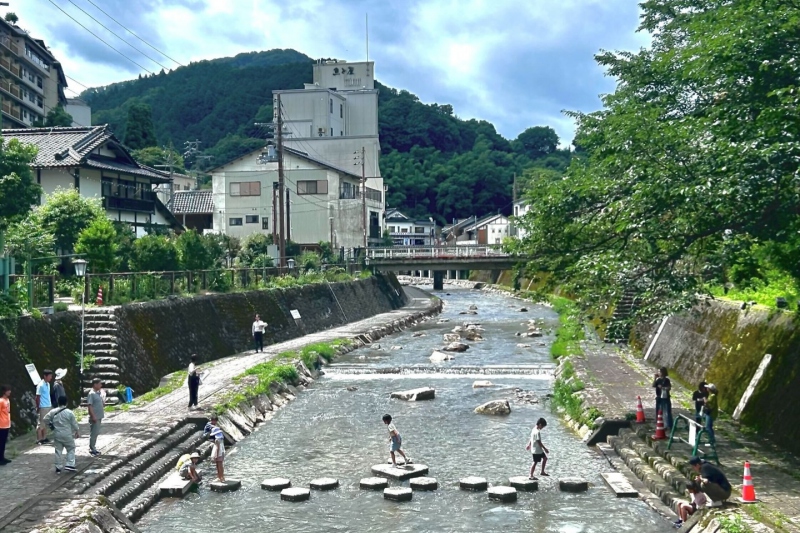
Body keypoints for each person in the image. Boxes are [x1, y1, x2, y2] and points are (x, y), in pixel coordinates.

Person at [44, 396, 80, 474]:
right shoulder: (69, 412)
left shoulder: (53, 411)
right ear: (66, 402)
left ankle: (58, 467)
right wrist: (77, 431)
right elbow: (74, 423)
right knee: (71, 448)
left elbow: (45, 419)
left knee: (58, 450)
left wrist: (51, 425)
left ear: (58, 402)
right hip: (67, 433)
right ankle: (70, 464)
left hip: (57, 433)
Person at [87, 378, 105, 456]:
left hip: (99, 416)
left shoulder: (98, 393)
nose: (101, 385)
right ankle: (92, 448)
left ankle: (94, 447)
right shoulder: (91, 394)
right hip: (95, 416)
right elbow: (90, 406)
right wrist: (93, 416)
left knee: (96, 433)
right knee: (93, 433)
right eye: (99, 384)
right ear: (95, 384)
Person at [35, 369, 54, 445]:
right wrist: (38, 406)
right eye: (49, 376)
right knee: (41, 424)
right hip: (43, 406)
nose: (51, 377)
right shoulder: (40, 385)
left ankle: (44, 438)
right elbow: (37, 397)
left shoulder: (48, 384)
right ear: (45, 376)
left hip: (48, 405)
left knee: (45, 423)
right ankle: (39, 439)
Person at [653, 367, 673, 431]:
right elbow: (653, 385)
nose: (658, 373)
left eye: (659, 372)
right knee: (658, 411)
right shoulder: (658, 380)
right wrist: (655, 378)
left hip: (665, 397)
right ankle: (659, 424)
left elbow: (669, 387)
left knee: (667, 411)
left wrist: (663, 388)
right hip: (659, 397)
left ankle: (668, 425)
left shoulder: (667, 380)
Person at [207, 415, 226, 482]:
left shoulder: (217, 440)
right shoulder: (220, 438)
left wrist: (216, 455)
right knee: (219, 465)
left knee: (219, 465)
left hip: (219, 452)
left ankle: (221, 477)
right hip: (221, 451)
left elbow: (217, 448)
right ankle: (220, 476)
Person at [0, 385, 10, 465]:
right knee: (1, 442)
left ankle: (2, 457)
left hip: (7, 423)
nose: (9, 392)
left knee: (4, 442)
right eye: (8, 390)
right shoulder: (1, 401)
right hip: (1, 424)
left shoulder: (7, 400)